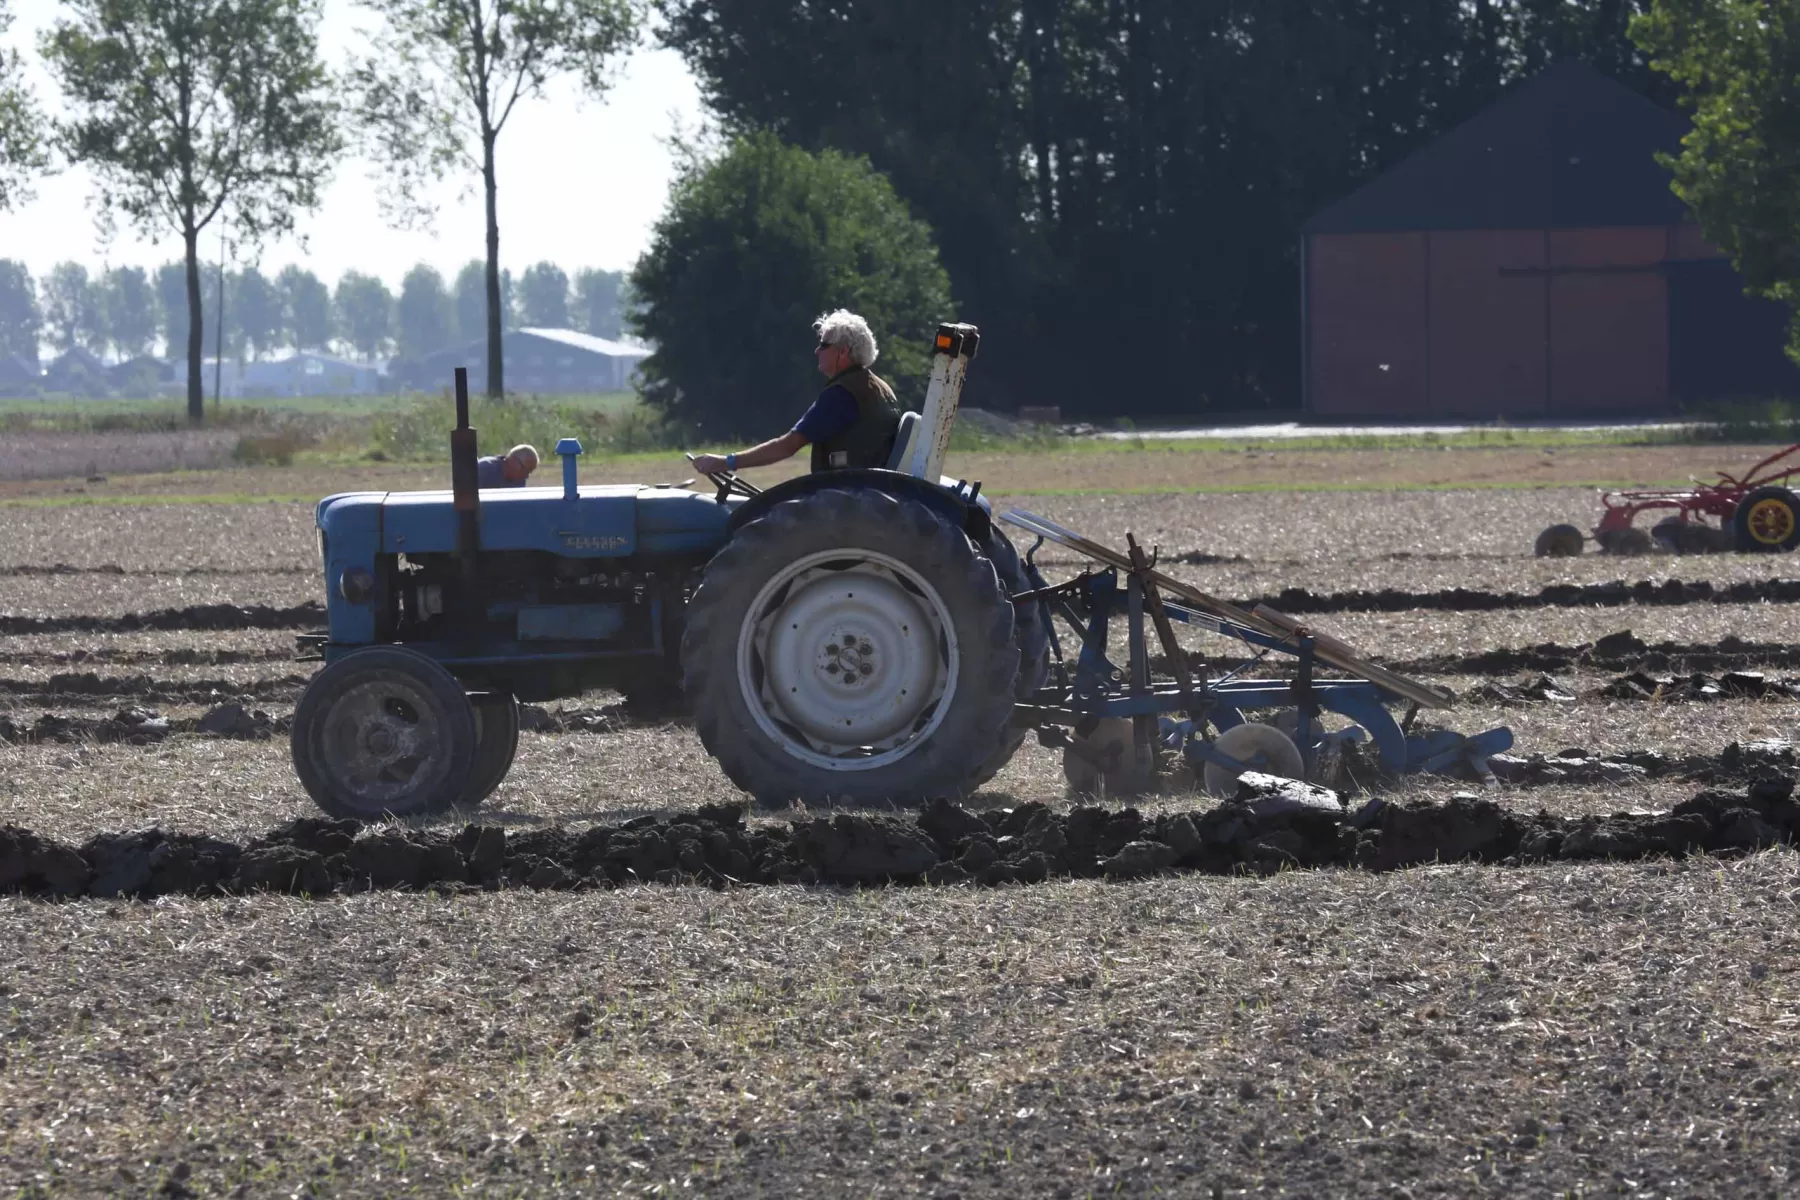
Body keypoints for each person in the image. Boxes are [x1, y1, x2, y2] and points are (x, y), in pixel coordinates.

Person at [690, 309, 902, 476]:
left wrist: (726, 462)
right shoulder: (879, 387)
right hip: (866, 489)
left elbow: (788, 446)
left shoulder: (842, 395)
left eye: (823, 345)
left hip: (848, 494)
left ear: (843, 351)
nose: (817, 351)